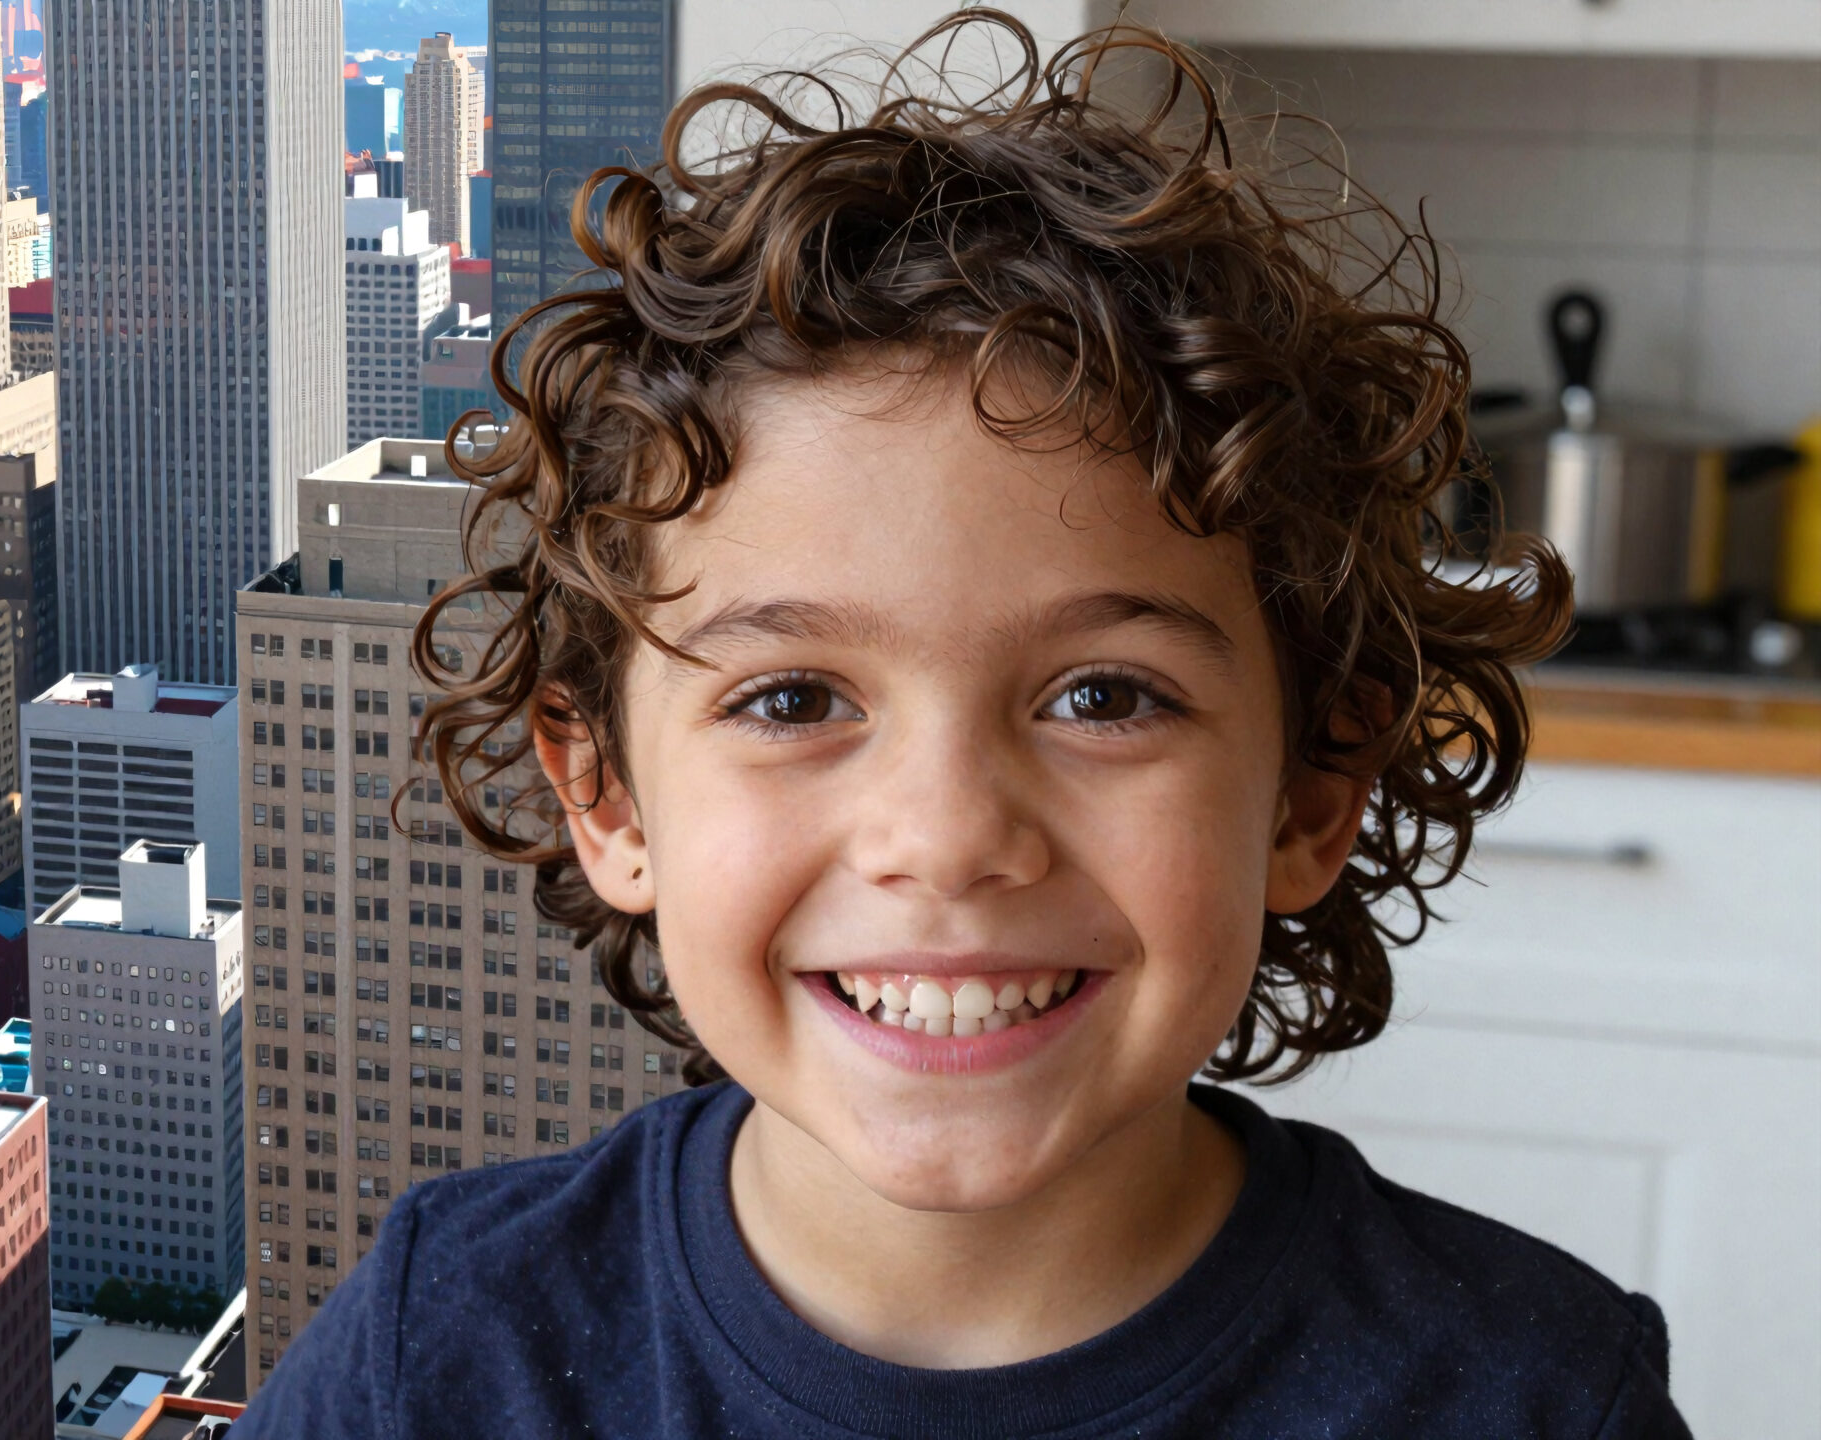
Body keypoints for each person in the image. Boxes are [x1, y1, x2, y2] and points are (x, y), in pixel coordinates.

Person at [234, 11, 1688, 1436]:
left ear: (1313, 791)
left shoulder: (1537, 1395)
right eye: (792, 699)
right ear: (607, 797)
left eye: (1104, 699)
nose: (944, 839)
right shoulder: (436, 1356)